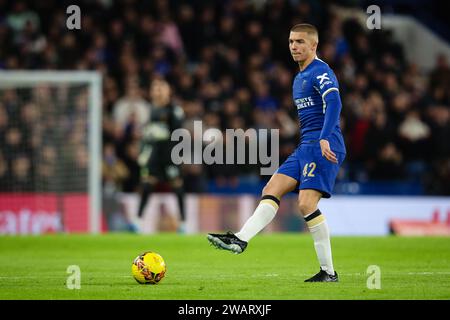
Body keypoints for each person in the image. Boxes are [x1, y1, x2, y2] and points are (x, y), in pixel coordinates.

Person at [207, 24, 346, 282]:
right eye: (292, 41)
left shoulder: (321, 71)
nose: (294, 46)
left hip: (324, 144)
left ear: (314, 46)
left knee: (306, 203)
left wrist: (325, 137)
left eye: (301, 42)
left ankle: (328, 272)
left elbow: (334, 102)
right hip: (306, 146)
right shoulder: (298, 78)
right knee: (272, 188)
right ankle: (240, 240)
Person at [134, 78, 186, 233]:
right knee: (147, 185)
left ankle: (183, 223)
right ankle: (137, 222)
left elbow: (178, 132)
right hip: (154, 156)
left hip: (170, 155)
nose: (157, 92)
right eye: (155, 88)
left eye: (161, 88)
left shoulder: (174, 110)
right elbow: (146, 134)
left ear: (168, 91)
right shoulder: (149, 110)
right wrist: (143, 150)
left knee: (177, 186)